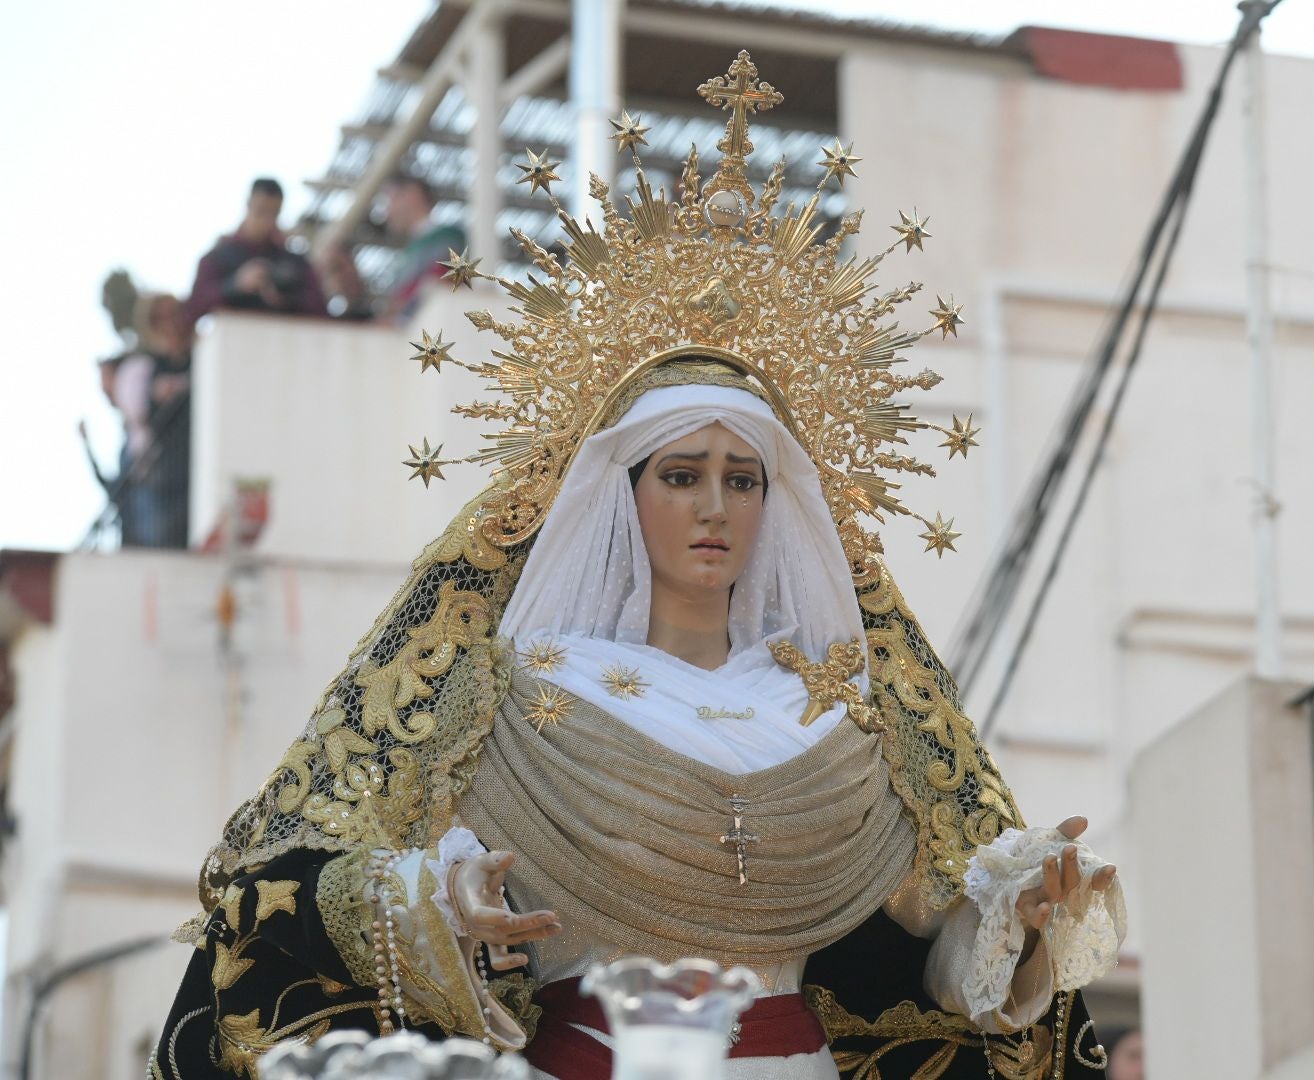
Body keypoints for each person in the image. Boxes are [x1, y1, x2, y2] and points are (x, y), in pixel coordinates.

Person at [150, 52, 1126, 1080]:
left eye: (743, 480)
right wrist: (442, 907)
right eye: (681, 474)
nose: (714, 506)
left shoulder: (846, 717)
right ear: (622, 494)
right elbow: (328, 879)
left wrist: (1021, 918)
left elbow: (929, 965)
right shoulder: (516, 697)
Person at [182, 178, 326, 331]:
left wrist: (288, 298)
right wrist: (234, 285)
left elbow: (321, 312)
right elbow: (192, 310)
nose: (267, 221)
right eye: (261, 211)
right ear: (248, 205)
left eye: (274, 214)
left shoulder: (295, 262)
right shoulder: (216, 258)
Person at [112, 292, 192, 548]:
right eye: (159, 319)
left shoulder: (206, 355)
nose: (169, 324)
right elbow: (142, 416)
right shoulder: (149, 368)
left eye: (173, 314)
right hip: (167, 475)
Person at [378, 173, 467, 323]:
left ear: (412, 195)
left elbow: (441, 279)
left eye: (390, 200)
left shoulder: (448, 237)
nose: (387, 212)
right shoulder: (409, 252)